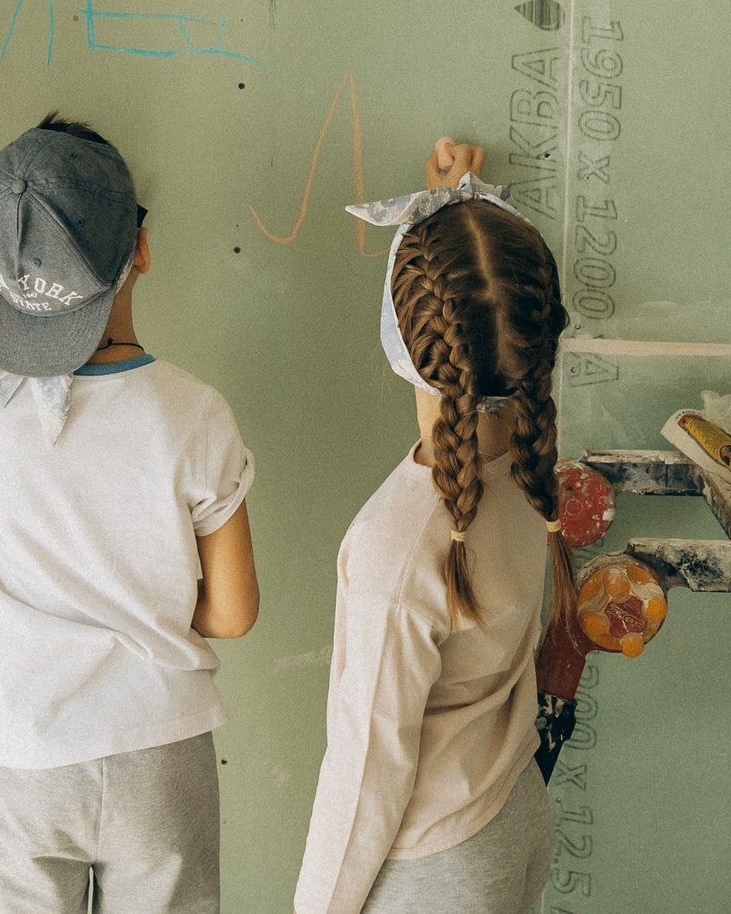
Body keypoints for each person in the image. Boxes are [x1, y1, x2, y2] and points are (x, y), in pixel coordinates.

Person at [0, 113, 260, 913]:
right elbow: (232, 611)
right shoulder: (195, 414)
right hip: (158, 745)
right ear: (141, 250)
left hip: (25, 751)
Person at [295, 138, 576, 914]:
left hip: (433, 866)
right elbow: (486, 296)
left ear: (400, 339)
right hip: (511, 814)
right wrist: (456, 205)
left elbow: (365, 771)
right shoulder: (529, 467)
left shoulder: (397, 545)